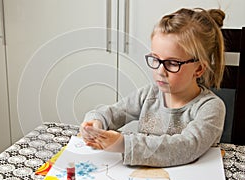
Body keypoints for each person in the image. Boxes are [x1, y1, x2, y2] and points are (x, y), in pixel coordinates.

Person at [80, 7, 226, 167]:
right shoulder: (149, 94)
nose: (160, 71)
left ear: (198, 69)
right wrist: (95, 123)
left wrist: (124, 144)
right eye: (155, 59)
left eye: (172, 63)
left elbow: (185, 147)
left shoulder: (211, 108)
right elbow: (113, 112)